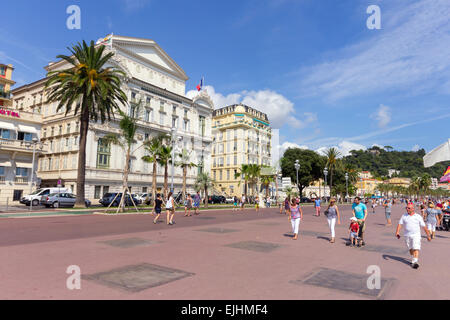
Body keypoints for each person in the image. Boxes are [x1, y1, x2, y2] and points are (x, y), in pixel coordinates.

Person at [396, 203, 431, 269]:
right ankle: (413, 257)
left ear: (413, 209)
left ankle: (415, 262)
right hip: (407, 235)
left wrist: (428, 235)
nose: (407, 209)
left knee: (416, 248)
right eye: (406, 208)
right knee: (411, 250)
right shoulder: (404, 216)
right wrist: (397, 232)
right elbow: (400, 224)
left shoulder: (418, 217)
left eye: (408, 208)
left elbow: (424, 226)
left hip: (416, 235)